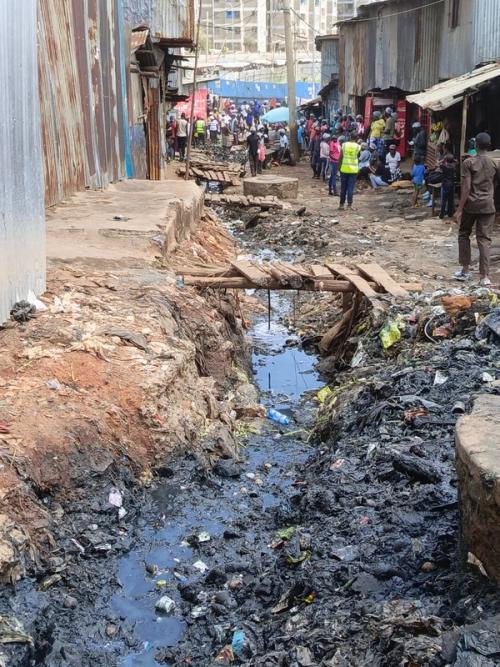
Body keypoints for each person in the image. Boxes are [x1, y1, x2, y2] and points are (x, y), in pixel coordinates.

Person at [453, 132, 500, 285]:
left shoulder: (468, 163)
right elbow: (495, 183)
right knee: (484, 239)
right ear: (489, 145)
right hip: (488, 205)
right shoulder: (494, 163)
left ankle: (465, 270)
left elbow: (466, 187)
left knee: (464, 234)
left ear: (476, 145)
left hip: (471, 206)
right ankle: (484, 277)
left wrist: (459, 209)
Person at [338, 132, 360, 210]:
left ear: (350, 137)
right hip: (353, 170)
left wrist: (339, 167)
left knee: (343, 188)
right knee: (350, 188)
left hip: (344, 169)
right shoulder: (358, 147)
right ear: (356, 138)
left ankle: (341, 205)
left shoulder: (344, 145)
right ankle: (349, 205)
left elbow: (340, 157)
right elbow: (358, 157)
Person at [439, 153, 456, 219]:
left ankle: (442, 214)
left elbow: (437, 164)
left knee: (443, 200)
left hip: (445, 184)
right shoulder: (453, 166)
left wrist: (443, 160)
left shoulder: (444, 167)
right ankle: (450, 213)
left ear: (446, 160)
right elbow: (456, 162)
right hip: (451, 184)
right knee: (450, 200)